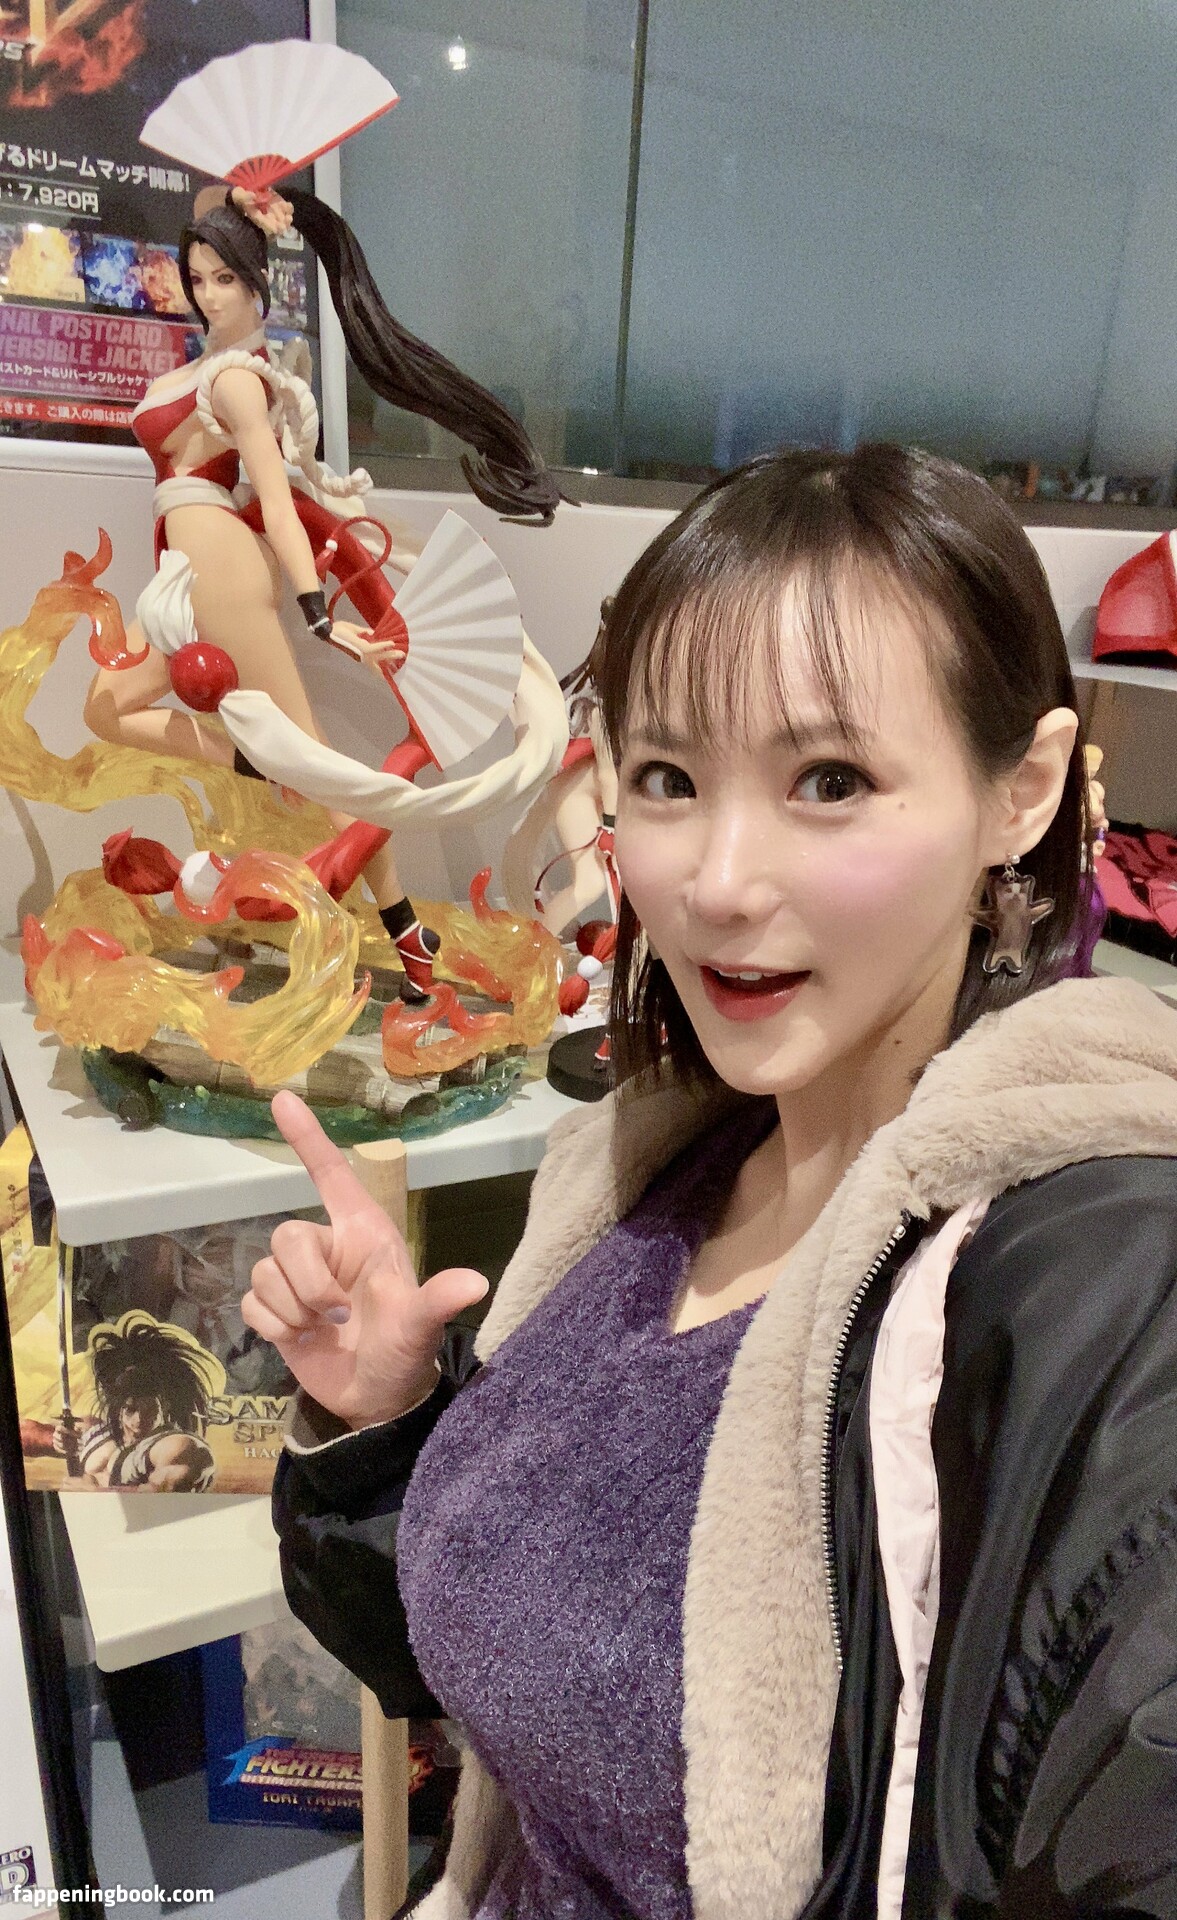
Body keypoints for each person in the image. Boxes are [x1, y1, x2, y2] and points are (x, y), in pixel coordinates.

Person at [245, 445, 1177, 1918]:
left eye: (830, 781)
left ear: (1023, 790)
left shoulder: (1095, 1292)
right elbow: (501, 1674)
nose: (719, 881)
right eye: (669, 779)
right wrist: (379, 1428)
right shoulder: (639, 1175)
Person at [83, 185, 563, 999]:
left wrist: (315, 612)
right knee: (105, 707)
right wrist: (240, 198)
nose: (208, 294)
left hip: (222, 569)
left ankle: (405, 930)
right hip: (180, 576)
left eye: (224, 278)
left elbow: (275, 503)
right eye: (196, 278)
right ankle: (257, 763)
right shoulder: (202, 370)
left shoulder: (240, 381)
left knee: (316, 763)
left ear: (257, 283)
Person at [54, 1309, 219, 1491]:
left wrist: (95, 1493)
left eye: (149, 1409)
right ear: (118, 1408)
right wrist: (65, 1445)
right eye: (131, 1409)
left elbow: (165, 1491)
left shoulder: (177, 1446)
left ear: (164, 1406)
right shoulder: (96, 1432)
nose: (139, 1420)